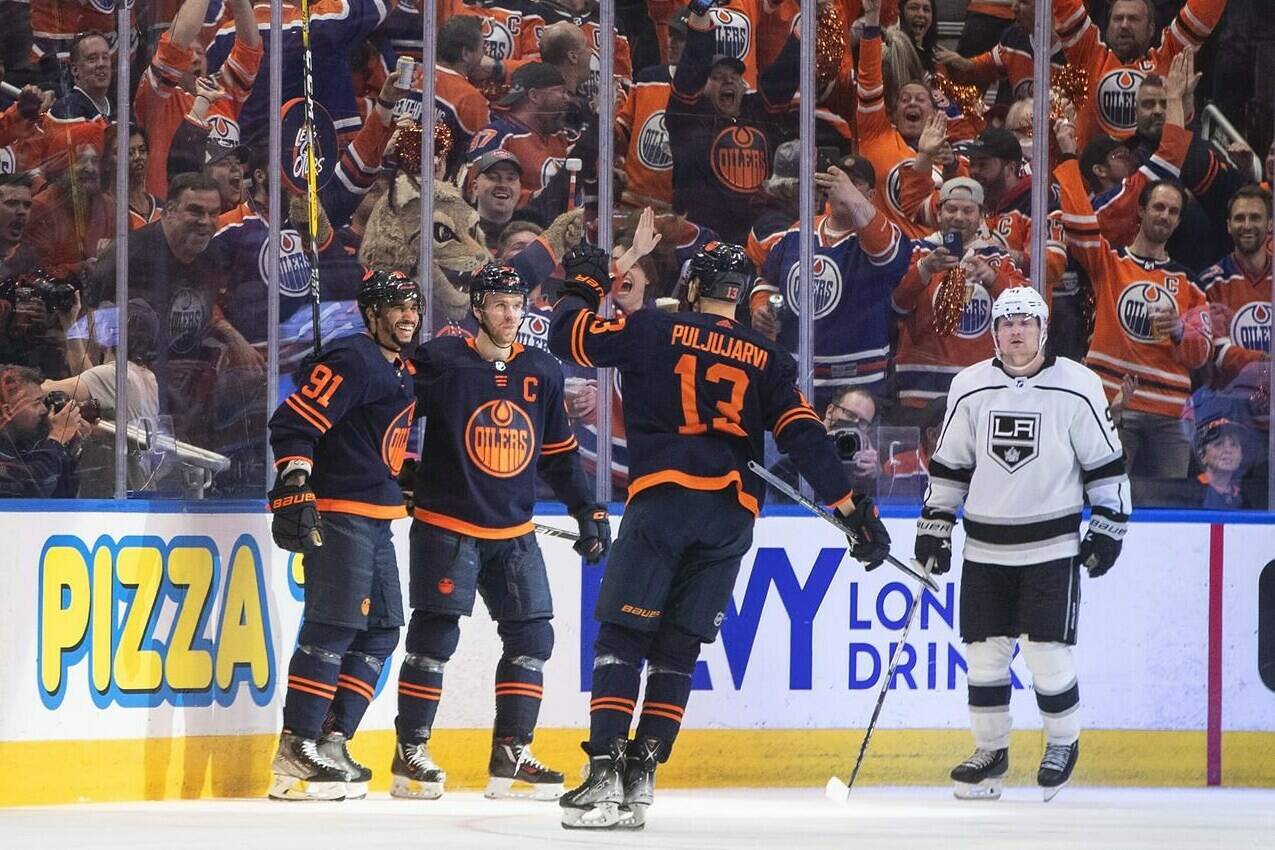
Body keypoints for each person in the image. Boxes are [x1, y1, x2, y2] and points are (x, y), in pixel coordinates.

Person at [548, 241, 891, 830]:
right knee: (678, 650)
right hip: (732, 515)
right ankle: (642, 780)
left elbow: (569, 336)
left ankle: (605, 774)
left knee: (623, 639)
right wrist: (853, 510)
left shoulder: (653, 327)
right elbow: (807, 437)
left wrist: (586, 277)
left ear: (690, 287)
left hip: (664, 502)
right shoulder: (769, 356)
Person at [391, 261, 608, 802]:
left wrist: (588, 510)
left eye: (518, 306)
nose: (511, 315)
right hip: (447, 526)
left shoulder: (542, 370)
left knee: (534, 636)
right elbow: (386, 407)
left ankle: (511, 755)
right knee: (435, 635)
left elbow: (559, 455)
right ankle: (409, 752)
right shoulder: (441, 360)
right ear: (478, 310)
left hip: (514, 530)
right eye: (500, 306)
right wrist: (397, 467)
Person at [915, 286, 1131, 802]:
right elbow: (951, 465)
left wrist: (1108, 525)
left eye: (1025, 322)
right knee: (984, 658)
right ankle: (991, 752)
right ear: (994, 330)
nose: (1016, 331)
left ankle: (1062, 742)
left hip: (1050, 549)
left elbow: (1106, 465)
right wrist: (935, 527)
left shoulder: (1078, 386)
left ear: (1042, 329)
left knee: (1046, 655)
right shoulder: (969, 386)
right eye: (1006, 322)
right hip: (984, 549)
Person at [265, 268, 421, 801]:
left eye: (414, 307)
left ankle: (331, 739)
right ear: (370, 313)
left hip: (378, 516)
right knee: (331, 628)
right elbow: (293, 423)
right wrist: (295, 478)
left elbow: (378, 438)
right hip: (339, 513)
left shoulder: (398, 368)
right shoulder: (353, 358)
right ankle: (295, 747)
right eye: (397, 307)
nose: (408, 316)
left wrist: (407, 476)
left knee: (381, 631)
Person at [1056, 161, 1212, 480]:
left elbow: (1202, 355)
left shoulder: (1190, 283)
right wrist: (1071, 161)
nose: (1164, 216)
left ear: (1179, 220)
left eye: (1173, 211)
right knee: (1102, 494)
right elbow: (1079, 226)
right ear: (1140, 211)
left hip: (1170, 415)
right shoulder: (1109, 263)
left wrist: (1182, 330)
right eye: (1158, 207)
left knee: (1168, 509)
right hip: (1112, 402)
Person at [666, 5, 799, 243]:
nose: (728, 80)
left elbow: (785, 73)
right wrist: (700, 18)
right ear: (702, 86)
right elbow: (691, 71)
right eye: (716, 77)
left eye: (735, 76)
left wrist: (807, 25)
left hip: (754, 238)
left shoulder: (756, 109)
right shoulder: (687, 116)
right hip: (704, 241)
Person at [1051, 0, 1226, 145]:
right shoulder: (1088, 56)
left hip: (1154, 176)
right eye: (1118, 19)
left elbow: (1203, 11)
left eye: (1133, 19)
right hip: (1094, 179)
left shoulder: (1170, 59)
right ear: (1108, 26)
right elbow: (1066, 6)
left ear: (1151, 28)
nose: (1125, 25)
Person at [0, 363, 90, 497]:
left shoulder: (26, 443)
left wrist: (68, 448)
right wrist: (56, 438)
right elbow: (32, 490)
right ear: (7, 411)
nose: (44, 410)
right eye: (36, 403)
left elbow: (61, 499)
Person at [49, 31, 112, 121]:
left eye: (105, 57)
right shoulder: (66, 109)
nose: (101, 64)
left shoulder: (120, 108)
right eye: (92, 59)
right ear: (75, 70)